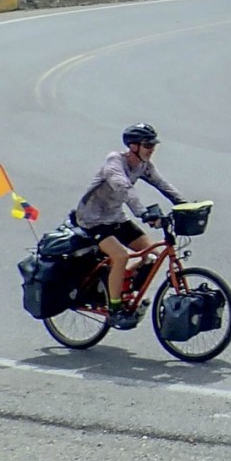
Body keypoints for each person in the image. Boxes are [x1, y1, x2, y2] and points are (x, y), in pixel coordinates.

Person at [72, 123, 185, 329]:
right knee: (120, 256)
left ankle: (120, 287)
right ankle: (114, 309)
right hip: (92, 220)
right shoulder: (115, 162)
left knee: (151, 256)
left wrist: (185, 204)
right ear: (133, 146)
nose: (152, 148)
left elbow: (162, 184)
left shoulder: (143, 165)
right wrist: (143, 213)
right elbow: (124, 188)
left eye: (153, 144)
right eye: (147, 144)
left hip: (116, 218)